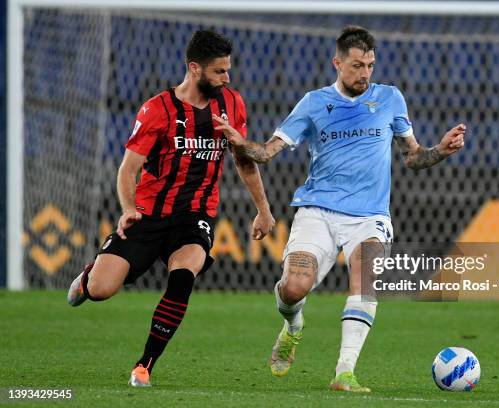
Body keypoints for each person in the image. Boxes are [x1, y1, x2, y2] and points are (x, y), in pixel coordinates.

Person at [213, 26, 465, 392]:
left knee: (365, 280)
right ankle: (293, 326)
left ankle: (344, 372)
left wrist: (439, 150)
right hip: (317, 211)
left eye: (371, 65)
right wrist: (241, 143)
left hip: (370, 216)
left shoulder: (390, 99)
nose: (365, 73)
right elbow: (266, 153)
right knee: (294, 288)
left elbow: (412, 157)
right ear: (337, 63)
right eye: (357, 65)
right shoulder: (314, 103)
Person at [66, 29, 275, 387]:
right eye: (219, 72)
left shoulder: (232, 104)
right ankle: (89, 277)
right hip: (148, 214)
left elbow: (244, 160)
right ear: (195, 69)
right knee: (102, 290)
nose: (227, 79)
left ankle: (144, 365)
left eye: (228, 71)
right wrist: (128, 208)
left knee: (184, 274)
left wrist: (263, 209)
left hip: (196, 215)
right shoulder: (157, 109)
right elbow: (128, 169)